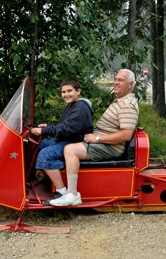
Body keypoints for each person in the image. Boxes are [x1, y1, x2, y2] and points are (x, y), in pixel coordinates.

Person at [49, 69, 139, 206]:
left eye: (120, 80)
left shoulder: (128, 105)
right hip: (102, 142)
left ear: (130, 84)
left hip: (111, 147)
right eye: (115, 79)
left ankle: (72, 194)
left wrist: (96, 139)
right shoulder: (120, 101)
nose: (116, 82)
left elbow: (126, 135)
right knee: (61, 143)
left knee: (70, 150)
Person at [31, 78, 93, 206]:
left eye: (69, 91)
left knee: (45, 154)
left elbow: (66, 129)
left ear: (78, 91)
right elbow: (65, 125)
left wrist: (44, 131)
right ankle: (37, 179)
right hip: (67, 139)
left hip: (74, 142)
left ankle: (61, 192)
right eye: (63, 92)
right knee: (38, 145)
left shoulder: (80, 108)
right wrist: (48, 126)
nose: (66, 94)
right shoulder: (72, 106)